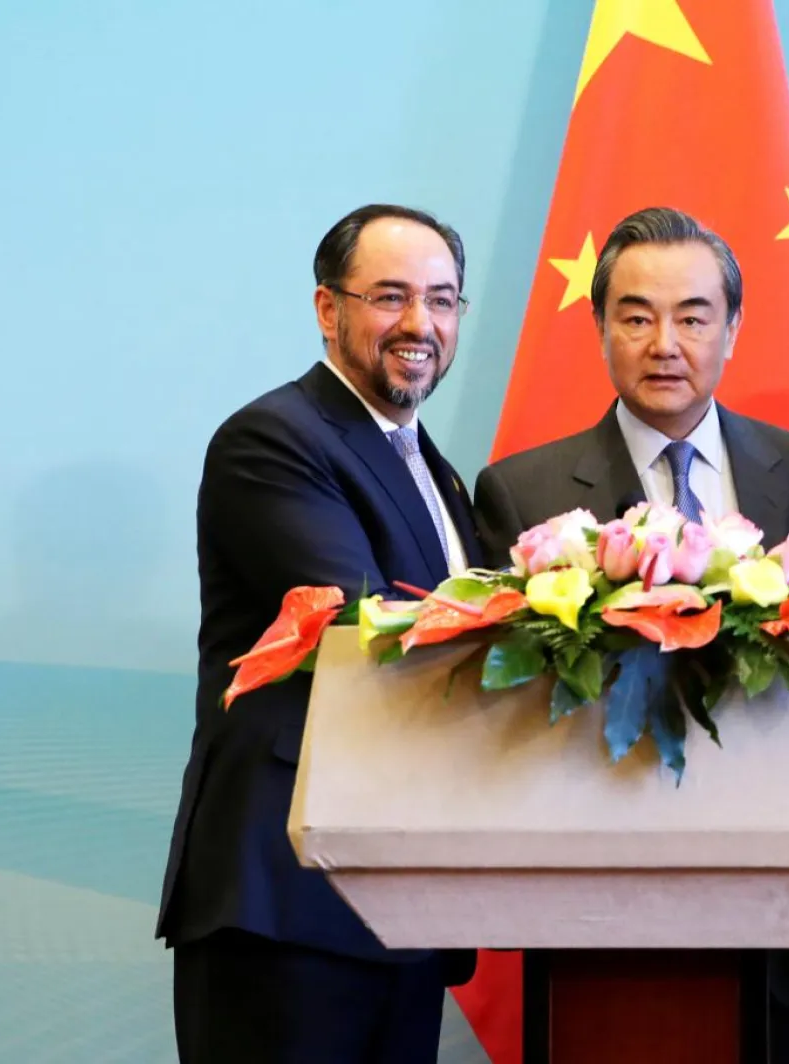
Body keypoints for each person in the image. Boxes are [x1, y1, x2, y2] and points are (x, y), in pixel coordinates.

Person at [472, 206, 789, 1064]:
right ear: (600, 328)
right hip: (588, 898)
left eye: (693, 317)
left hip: (768, 896)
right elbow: (501, 695)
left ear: (732, 328)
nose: (665, 344)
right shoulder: (522, 490)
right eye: (636, 317)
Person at [157, 204, 482, 1063]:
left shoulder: (435, 470)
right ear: (327, 308)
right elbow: (362, 620)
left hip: (399, 903)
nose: (420, 324)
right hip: (288, 901)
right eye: (391, 296)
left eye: (442, 300)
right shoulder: (275, 439)